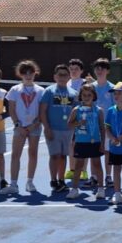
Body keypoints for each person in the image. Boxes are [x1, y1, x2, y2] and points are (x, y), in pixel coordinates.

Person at [0, 60, 45, 195]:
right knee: (15, 155)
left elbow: (42, 112)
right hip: (19, 128)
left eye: (31, 72)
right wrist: (17, 125)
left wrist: (33, 125)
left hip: (35, 127)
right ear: (20, 74)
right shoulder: (14, 90)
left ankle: (30, 182)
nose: (28, 75)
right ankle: (13, 184)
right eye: (25, 73)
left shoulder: (41, 91)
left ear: (35, 73)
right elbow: (11, 109)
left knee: (33, 153)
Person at [39, 64, 76, 194]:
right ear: (55, 77)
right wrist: (47, 128)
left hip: (67, 130)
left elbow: (76, 112)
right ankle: (53, 180)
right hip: (53, 129)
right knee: (54, 156)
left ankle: (61, 180)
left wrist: (75, 127)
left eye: (65, 75)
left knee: (63, 156)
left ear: (69, 77)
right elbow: (42, 111)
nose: (62, 77)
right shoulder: (49, 91)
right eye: (59, 75)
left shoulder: (73, 93)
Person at [68, 83, 107, 200]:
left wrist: (102, 143)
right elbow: (69, 124)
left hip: (95, 142)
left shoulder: (98, 110)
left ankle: (101, 189)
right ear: (81, 96)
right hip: (81, 142)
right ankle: (74, 189)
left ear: (93, 96)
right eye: (84, 95)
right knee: (78, 165)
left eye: (89, 95)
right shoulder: (76, 110)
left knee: (97, 164)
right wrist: (79, 123)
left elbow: (102, 128)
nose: (86, 97)